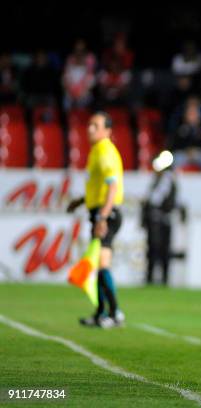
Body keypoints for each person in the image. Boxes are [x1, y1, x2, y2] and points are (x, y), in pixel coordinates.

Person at [67, 112, 125, 329]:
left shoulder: (105, 152)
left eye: (96, 125)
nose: (90, 128)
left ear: (107, 131)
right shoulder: (96, 152)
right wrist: (82, 201)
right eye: (89, 124)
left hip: (106, 213)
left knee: (102, 263)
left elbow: (112, 186)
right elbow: (99, 186)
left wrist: (102, 216)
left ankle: (115, 313)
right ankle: (101, 312)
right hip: (99, 211)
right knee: (98, 265)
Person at [142, 151, 177, 285]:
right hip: (161, 218)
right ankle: (158, 278)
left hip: (159, 219)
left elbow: (155, 199)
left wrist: (147, 204)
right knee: (158, 249)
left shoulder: (166, 179)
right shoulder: (166, 179)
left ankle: (157, 278)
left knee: (157, 249)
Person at [167, 97, 201, 170]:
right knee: (175, 159)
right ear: (186, 116)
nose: (192, 116)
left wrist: (195, 150)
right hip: (184, 154)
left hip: (198, 154)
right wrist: (187, 151)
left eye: (194, 114)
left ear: (198, 116)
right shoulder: (180, 129)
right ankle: (175, 179)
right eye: (190, 114)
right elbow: (174, 146)